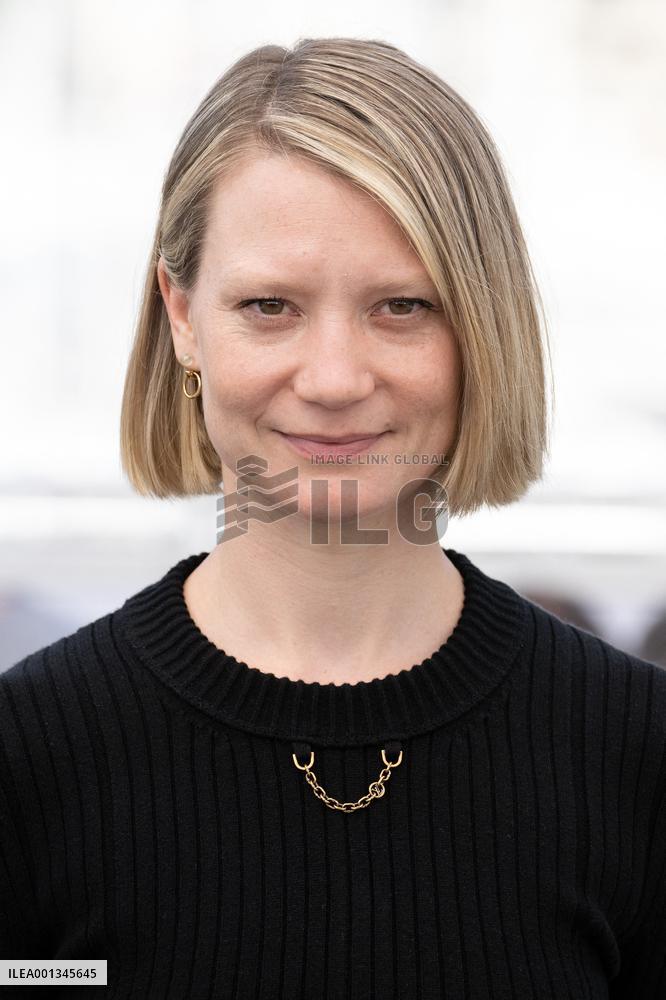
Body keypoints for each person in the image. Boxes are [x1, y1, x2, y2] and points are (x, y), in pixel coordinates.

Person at [1, 36, 664, 1000]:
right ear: (182, 317)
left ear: (482, 325)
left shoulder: (636, 759)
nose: (335, 379)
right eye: (270, 306)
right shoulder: (29, 764)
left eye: (401, 306)